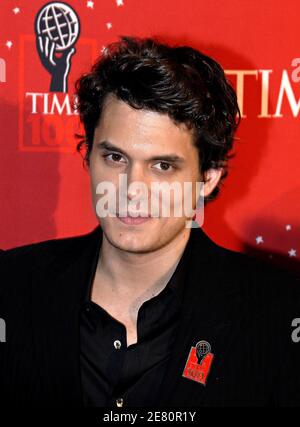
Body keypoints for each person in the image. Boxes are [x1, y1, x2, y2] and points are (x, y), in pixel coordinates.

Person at [0, 35, 299, 408]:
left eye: (162, 166)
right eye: (115, 158)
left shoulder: (278, 314)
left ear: (207, 177)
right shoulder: (10, 290)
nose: (132, 189)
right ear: (88, 155)